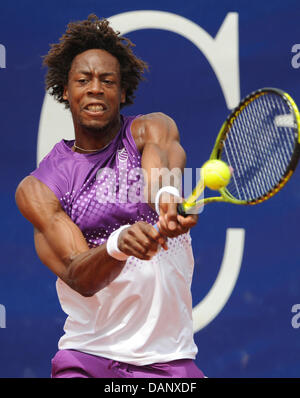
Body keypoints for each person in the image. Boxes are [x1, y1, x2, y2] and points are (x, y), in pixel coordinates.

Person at [15, 14, 205, 378]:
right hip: (88, 358)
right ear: (66, 91)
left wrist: (166, 204)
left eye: (107, 81)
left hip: (168, 361)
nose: (96, 88)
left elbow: (160, 173)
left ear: (122, 92)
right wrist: (118, 244)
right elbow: (78, 274)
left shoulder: (152, 129)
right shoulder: (40, 187)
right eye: (83, 80)